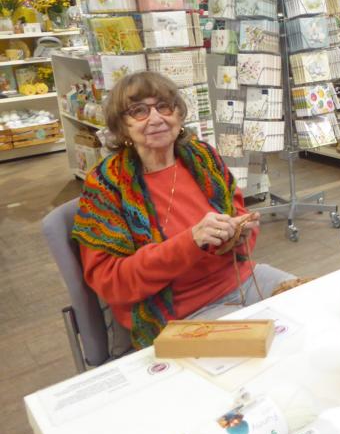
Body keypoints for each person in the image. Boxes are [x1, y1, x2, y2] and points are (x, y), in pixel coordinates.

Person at [72, 71, 293, 349]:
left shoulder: (203, 158)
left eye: (164, 106)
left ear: (178, 114)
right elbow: (111, 282)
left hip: (242, 280)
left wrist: (239, 232)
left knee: (312, 308)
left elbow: (239, 218)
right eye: (138, 111)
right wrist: (190, 242)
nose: (156, 119)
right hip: (179, 311)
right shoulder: (107, 185)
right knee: (269, 351)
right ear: (122, 126)